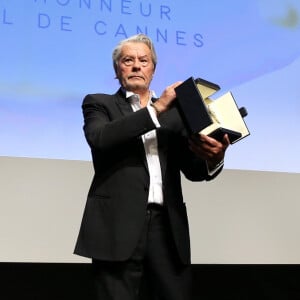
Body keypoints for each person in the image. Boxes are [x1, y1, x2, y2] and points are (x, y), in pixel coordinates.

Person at [74, 33, 230, 300]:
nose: (136, 65)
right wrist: (156, 109)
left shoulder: (176, 114)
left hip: (167, 228)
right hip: (117, 227)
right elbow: (101, 139)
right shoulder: (99, 103)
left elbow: (193, 169)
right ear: (117, 70)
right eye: (128, 60)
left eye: (143, 60)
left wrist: (214, 158)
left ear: (153, 70)